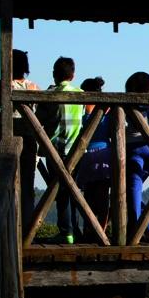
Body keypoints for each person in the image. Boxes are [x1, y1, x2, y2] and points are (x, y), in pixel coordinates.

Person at [76, 71, 149, 236]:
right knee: (132, 188)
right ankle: (146, 227)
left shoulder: (126, 105)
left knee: (132, 187)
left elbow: (116, 124)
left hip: (132, 149)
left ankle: (140, 227)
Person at [0, 49, 40, 226]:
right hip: (29, 138)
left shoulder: (3, 84)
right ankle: (26, 225)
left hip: (6, 138)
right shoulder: (34, 87)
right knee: (27, 182)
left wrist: (4, 116)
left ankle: (3, 223)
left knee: (3, 182)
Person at [42, 57, 83, 243]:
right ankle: (75, 230)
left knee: (60, 192)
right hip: (77, 150)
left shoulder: (50, 94)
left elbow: (38, 118)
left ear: (54, 74)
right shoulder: (81, 94)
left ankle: (66, 232)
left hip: (55, 149)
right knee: (73, 190)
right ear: (73, 75)